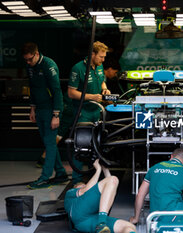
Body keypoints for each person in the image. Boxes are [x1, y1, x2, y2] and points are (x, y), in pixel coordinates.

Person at [22, 42, 68, 189]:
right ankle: (60, 173)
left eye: (30, 59)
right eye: (26, 60)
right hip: (39, 109)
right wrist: (32, 108)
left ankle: (45, 177)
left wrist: (56, 114)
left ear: (36, 54)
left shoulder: (49, 65)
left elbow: (57, 91)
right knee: (49, 143)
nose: (28, 62)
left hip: (50, 110)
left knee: (49, 143)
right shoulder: (30, 67)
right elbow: (33, 88)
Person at [68, 41, 111, 185]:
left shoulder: (100, 66)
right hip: (83, 112)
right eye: (101, 56)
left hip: (97, 111)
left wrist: (105, 89)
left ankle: (95, 176)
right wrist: (91, 97)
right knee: (81, 144)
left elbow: (102, 82)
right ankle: (77, 180)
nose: (103, 60)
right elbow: (71, 93)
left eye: (104, 57)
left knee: (98, 144)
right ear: (92, 54)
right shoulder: (78, 68)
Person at [64, 159, 136, 233]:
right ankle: (101, 224)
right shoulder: (70, 193)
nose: (84, 185)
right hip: (79, 214)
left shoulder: (92, 201)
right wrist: (98, 170)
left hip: (88, 221)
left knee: (129, 226)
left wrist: (105, 169)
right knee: (113, 179)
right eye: (81, 185)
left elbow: (111, 188)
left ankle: (101, 224)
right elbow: (85, 190)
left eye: (85, 184)